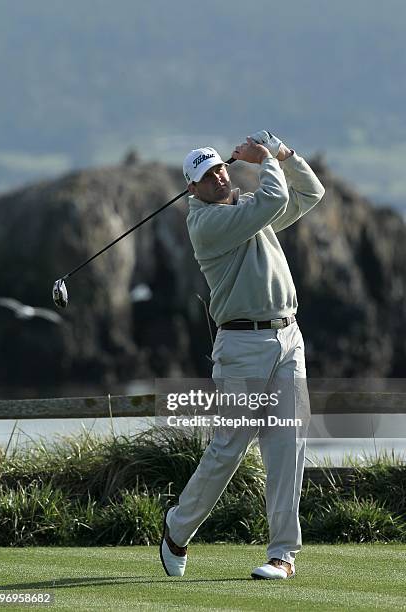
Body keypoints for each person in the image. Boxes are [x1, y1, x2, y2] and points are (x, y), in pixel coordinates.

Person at [159, 130, 325, 579]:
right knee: (229, 448)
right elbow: (272, 201)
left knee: (288, 446)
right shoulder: (208, 225)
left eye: (219, 168)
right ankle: (177, 529)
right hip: (242, 346)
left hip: (289, 337)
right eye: (206, 176)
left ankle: (282, 556)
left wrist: (285, 156)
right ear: (192, 190)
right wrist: (266, 156)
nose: (217, 177)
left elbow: (310, 192)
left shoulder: (244, 210)